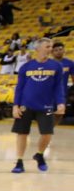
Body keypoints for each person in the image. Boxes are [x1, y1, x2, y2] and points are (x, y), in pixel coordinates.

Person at [10, 38, 65, 173]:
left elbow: (58, 87)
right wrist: (15, 106)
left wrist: (60, 102)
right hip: (25, 105)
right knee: (22, 133)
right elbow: (20, 88)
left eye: (51, 46)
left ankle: (39, 155)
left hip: (46, 106)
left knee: (47, 133)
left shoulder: (56, 66)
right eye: (47, 46)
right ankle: (19, 161)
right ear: (37, 49)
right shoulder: (26, 67)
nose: (50, 49)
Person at [51, 41, 73, 126]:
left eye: (60, 49)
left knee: (60, 112)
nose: (58, 51)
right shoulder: (48, 63)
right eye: (56, 50)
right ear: (52, 52)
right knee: (48, 113)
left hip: (62, 93)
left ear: (64, 50)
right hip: (48, 93)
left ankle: (54, 128)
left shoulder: (70, 63)